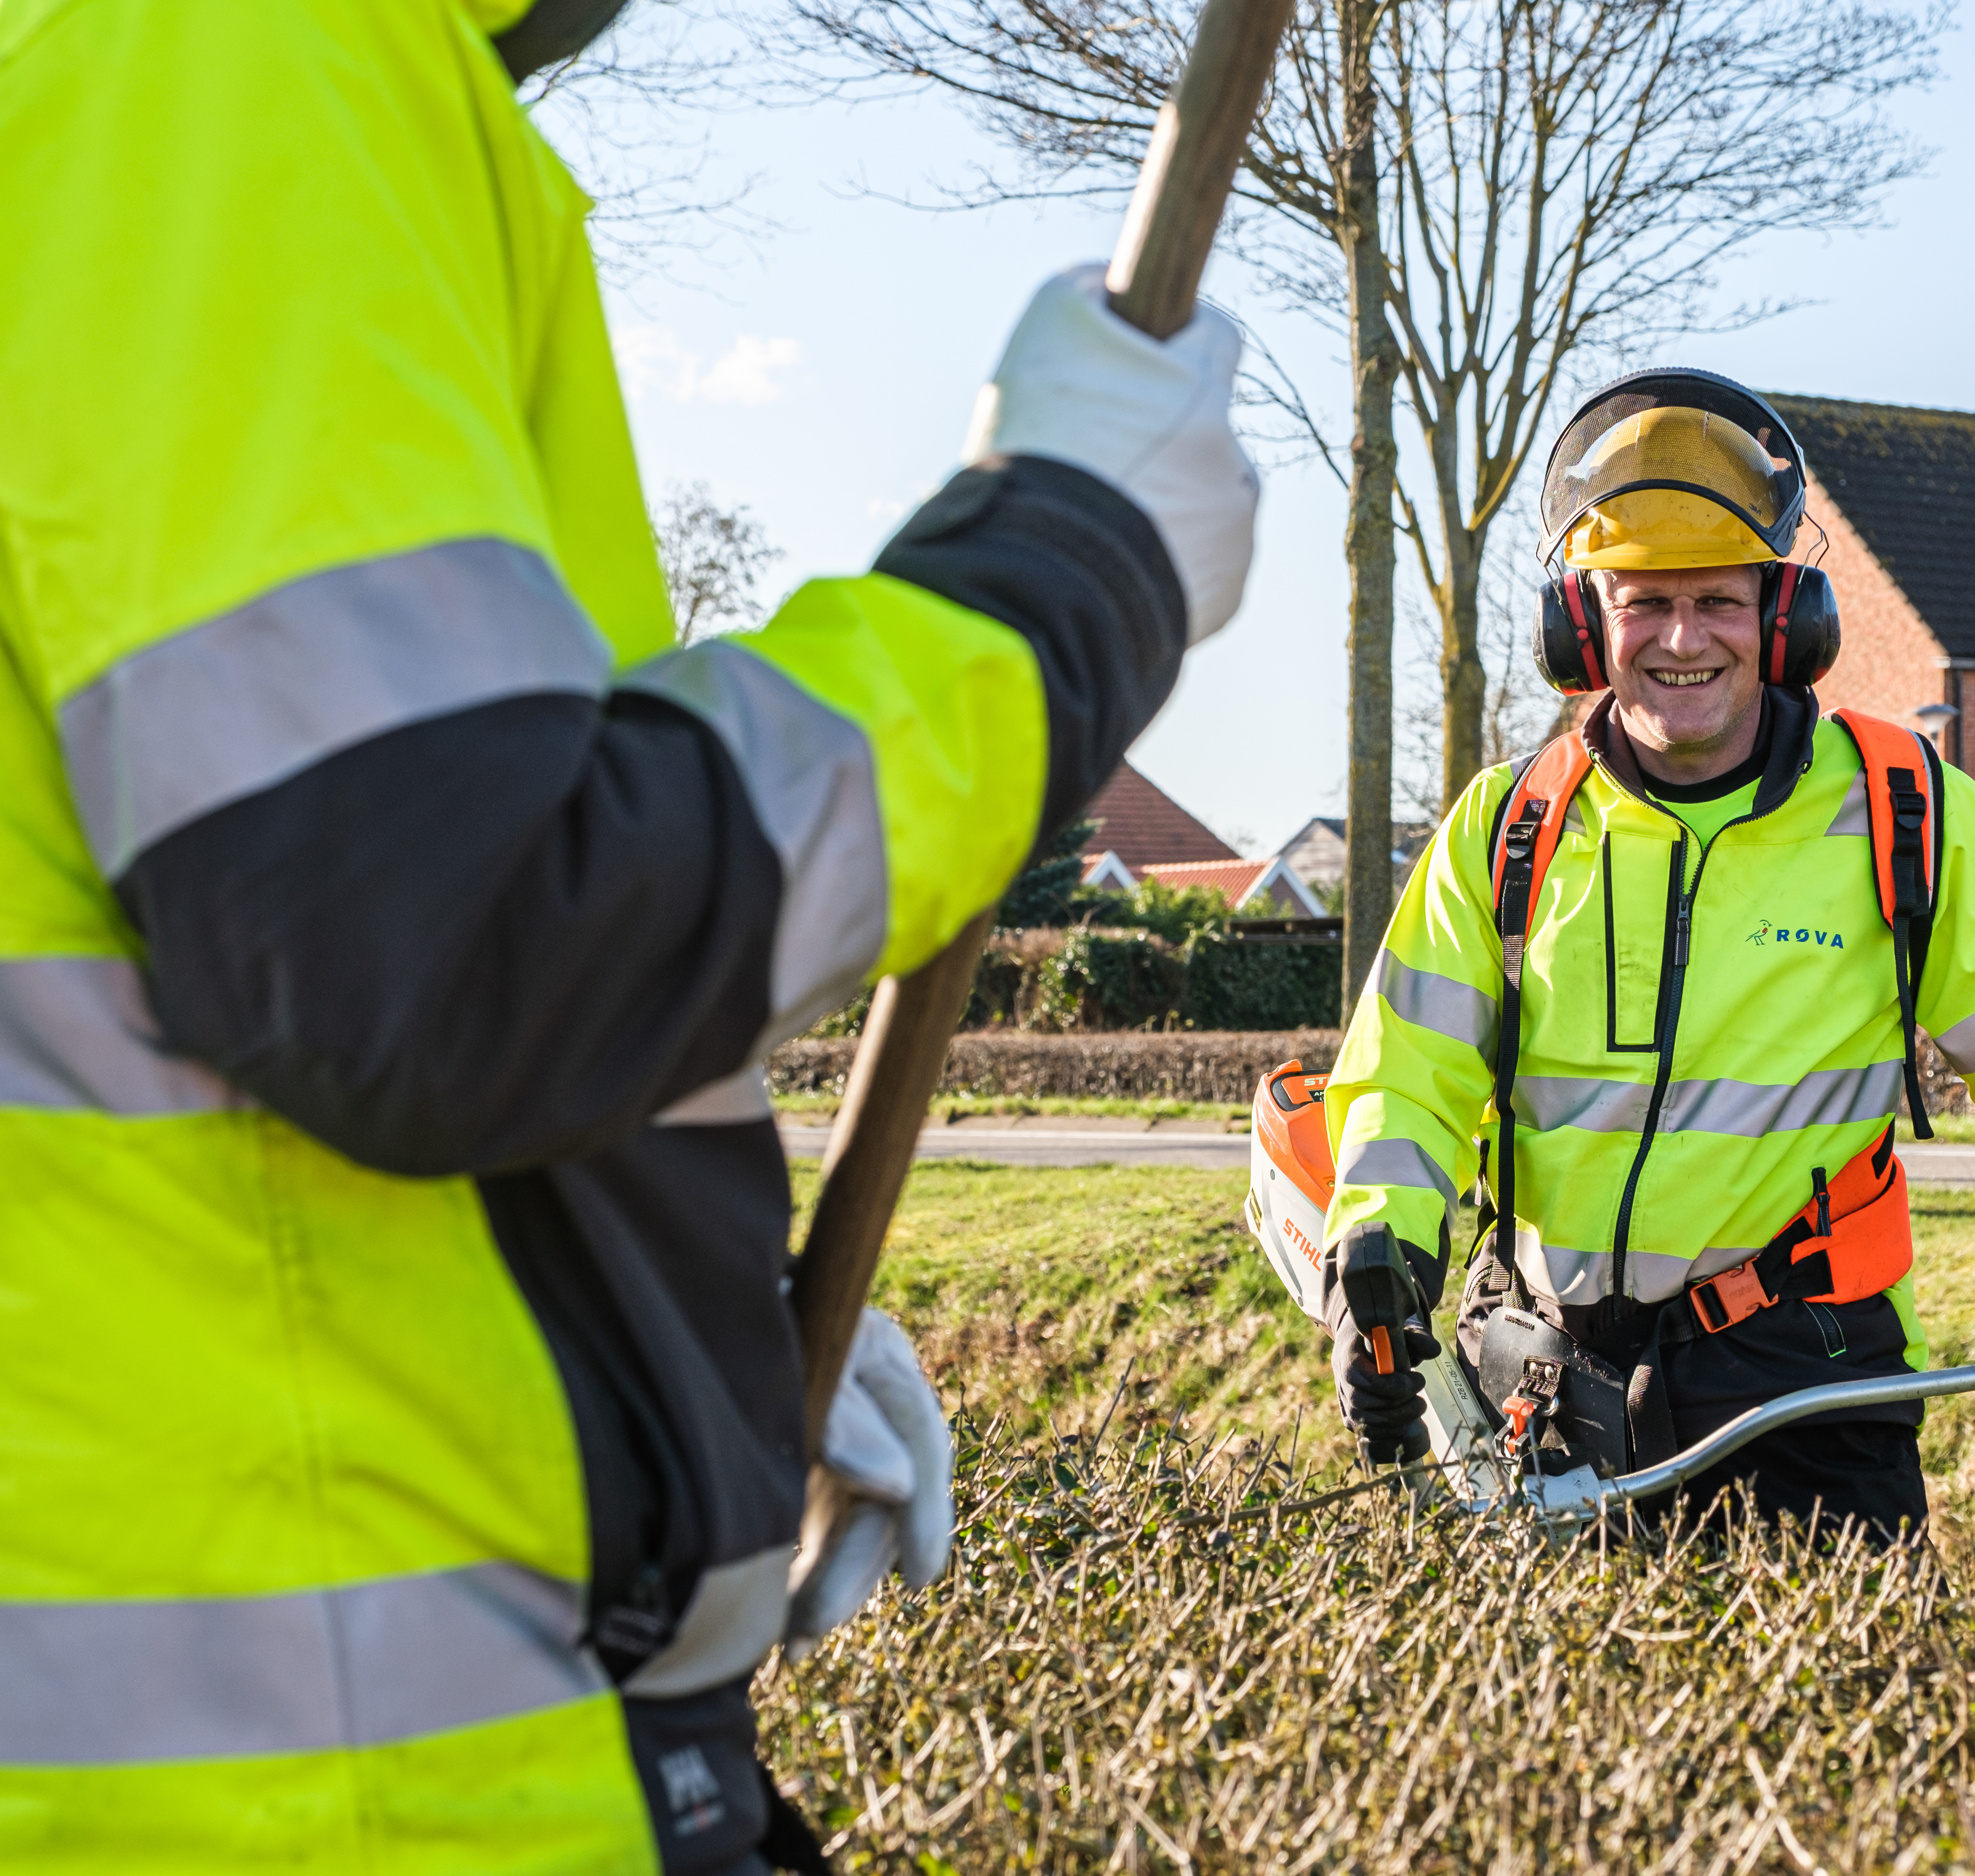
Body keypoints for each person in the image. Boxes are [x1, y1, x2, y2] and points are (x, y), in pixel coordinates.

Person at [0, 1, 1255, 1868]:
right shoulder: (219, 49)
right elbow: (442, 949)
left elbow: (197, 1047)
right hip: (328, 1802)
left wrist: (674, 1339)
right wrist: (1059, 574)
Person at [1317, 371, 1975, 1538]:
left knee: (1851, 1717)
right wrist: (1376, 1248)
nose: (1681, 639)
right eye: (1645, 602)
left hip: (1810, 1382)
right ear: (1582, 624)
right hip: (1542, 1384)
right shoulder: (1504, 828)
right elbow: (1404, 1080)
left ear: (1784, 619)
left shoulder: (1901, 806)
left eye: (1719, 599)